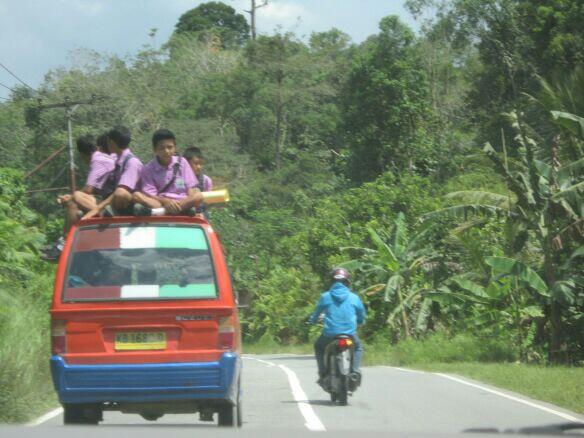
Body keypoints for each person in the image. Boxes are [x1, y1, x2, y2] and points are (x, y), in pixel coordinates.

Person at [42, 135, 115, 260]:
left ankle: (64, 242)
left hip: (109, 200)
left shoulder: (97, 159)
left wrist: (69, 197)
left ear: (82, 154)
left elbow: (88, 190)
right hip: (106, 197)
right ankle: (63, 241)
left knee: (74, 197)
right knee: (73, 201)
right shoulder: (104, 158)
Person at [309, 267, 366, 386]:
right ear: (347, 282)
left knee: (319, 346)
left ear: (332, 282)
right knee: (358, 347)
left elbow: (316, 313)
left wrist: (313, 320)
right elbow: (361, 314)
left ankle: (323, 372)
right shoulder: (354, 297)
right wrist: (360, 321)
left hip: (330, 334)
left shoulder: (325, 296)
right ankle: (355, 371)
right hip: (350, 334)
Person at [132, 129, 203, 216]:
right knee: (139, 196)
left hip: (182, 201)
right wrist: (166, 201)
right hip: (160, 203)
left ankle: (160, 212)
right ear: (155, 150)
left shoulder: (182, 162)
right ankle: (181, 211)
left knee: (198, 195)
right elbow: (151, 195)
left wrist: (190, 200)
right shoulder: (148, 169)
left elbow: (191, 188)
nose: (166, 151)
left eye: (170, 147)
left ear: (175, 148)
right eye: (162, 148)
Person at [83, 126, 143, 218]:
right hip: (111, 199)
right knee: (77, 197)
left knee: (120, 193)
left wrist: (97, 209)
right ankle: (104, 212)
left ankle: (106, 213)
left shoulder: (132, 162)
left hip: (128, 202)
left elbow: (120, 191)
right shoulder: (115, 159)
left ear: (111, 142)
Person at [183, 146, 213, 218]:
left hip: (200, 215)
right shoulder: (179, 180)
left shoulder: (206, 181)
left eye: (201, 164)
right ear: (186, 163)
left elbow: (207, 202)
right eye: (196, 163)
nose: (199, 166)